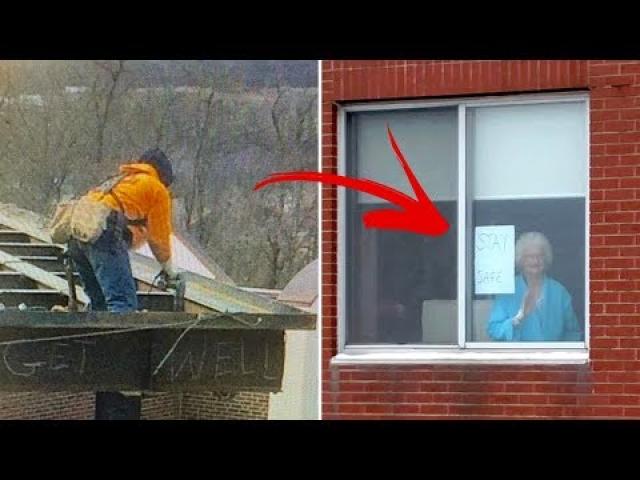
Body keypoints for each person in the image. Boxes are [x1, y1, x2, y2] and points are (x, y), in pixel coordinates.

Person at [68, 148, 177, 313]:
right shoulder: (157, 189)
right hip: (103, 230)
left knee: (100, 303)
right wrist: (168, 268)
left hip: (77, 234)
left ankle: (96, 338)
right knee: (123, 304)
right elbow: (158, 237)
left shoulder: (121, 181)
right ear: (164, 176)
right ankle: (118, 339)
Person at [487, 231, 582, 342]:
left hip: (554, 357)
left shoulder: (559, 291)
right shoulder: (508, 289)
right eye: (529, 257)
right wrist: (519, 318)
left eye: (540, 256)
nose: (535, 261)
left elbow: (573, 332)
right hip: (518, 356)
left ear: (546, 258)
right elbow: (493, 330)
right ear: (521, 260)